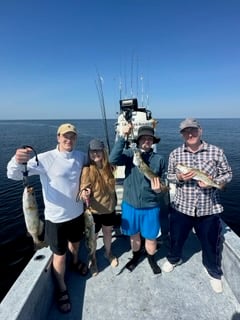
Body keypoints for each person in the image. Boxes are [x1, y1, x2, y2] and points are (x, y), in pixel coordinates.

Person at [7, 123, 88, 313]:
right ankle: (61, 288)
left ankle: (75, 261)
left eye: (72, 136)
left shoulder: (80, 156)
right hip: (55, 219)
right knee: (59, 255)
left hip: (77, 213)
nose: (69, 139)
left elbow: (93, 169)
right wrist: (17, 159)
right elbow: (13, 174)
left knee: (75, 245)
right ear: (58, 137)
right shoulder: (44, 158)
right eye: (65, 136)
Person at [162, 118, 232, 293]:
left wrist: (213, 182)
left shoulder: (216, 152)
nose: (190, 134)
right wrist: (179, 177)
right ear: (182, 134)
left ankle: (213, 272)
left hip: (208, 208)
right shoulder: (175, 154)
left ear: (200, 131)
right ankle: (173, 259)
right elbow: (169, 175)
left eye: (193, 130)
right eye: (186, 131)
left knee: (210, 242)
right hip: (182, 207)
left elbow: (228, 173)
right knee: (176, 238)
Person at [109, 125, 167, 274]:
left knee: (151, 237)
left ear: (153, 141)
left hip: (151, 206)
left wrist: (160, 189)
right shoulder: (130, 155)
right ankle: (135, 256)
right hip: (130, 205)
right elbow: (112, 159)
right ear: (139, 140)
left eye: (149, 139)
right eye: (143, 138)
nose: (146, 141)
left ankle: (151, 258)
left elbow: (163, 180)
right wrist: (122, 137)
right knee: (134, 235)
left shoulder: (159, 159)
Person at [79, 139, 119, 276]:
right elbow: (83, 187)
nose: (95, 153)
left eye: (98, 150)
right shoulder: (87, 169)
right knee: (92, 238)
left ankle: (108, 253)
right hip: (93, 212)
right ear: (89, 153)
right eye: (92, 151)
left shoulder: (111, 167)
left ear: (104, 152)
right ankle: (93, 259)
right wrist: (85, 192)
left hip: (109, 208)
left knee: (108, 233)